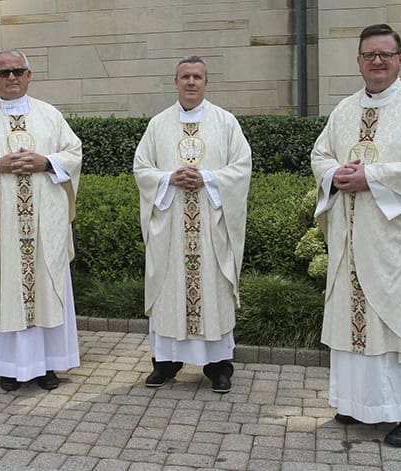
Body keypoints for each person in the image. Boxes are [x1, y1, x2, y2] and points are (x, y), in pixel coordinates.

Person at [311, 24, 401, 447]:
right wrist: (334, 175)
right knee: (354, 321)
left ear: (400, 59)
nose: (377, 61)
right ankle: (358, 404)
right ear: (358, 60)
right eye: (369, 54)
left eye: (385, 54)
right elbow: (321, 154)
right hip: (353, 242)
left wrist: (371, 177)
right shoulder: (343, 111)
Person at [0, 49, 82, 391]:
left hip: (44, 226)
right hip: (0, 229)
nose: (12, 78)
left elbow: (74, 154)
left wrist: (47, 161)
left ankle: (47, 365)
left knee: (45, 285)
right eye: (4, 72)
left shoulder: (50, 115)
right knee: (6, 285)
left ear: (29, 75)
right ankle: (8, 366)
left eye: (18, 71)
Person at [133, 56, 251, 393]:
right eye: (185, 76)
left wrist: (207, 178)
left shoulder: (226, 123)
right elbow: (142, 168)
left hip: (211, 229)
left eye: (197, 77)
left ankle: (218, 367)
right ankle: (165, 364)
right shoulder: (158, 125)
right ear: (176, 82)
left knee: (213, 293)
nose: (191, 82)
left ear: (206, 82)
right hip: (170, 230)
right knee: (170, 292)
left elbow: (242, 167)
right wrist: (169, 178)